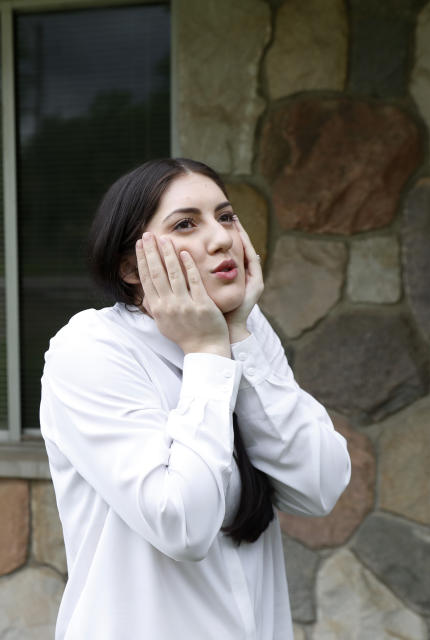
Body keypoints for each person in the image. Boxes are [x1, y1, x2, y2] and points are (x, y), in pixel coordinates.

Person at [39, 158, 351, 639]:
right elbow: (182, 524)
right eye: (186, 223)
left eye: (226, 216)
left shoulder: (246, 329)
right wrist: (207, 354)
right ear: (129, 266)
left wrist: (240, 343)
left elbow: (320, 485)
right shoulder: (91, 348)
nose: (222, 237)